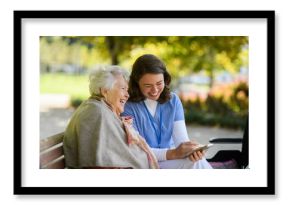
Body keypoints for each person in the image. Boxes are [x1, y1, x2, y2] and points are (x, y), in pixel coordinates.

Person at [122, 54, 212, 169]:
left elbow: (181, 141)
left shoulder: (173, 101)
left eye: (159, 83)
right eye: (148, 85)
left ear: (165, 79)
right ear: (136, 84)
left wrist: (191, 152)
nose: (155, 90)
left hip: (171, 161)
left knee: (197, 161)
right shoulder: (128, 106)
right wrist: (174, 153)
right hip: (146, 163)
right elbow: (136, 150)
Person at [63, 65, 159, 169]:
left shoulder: (99, 108)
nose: (127, 95)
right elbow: (101, 161)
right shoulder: (96, 113)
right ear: (105, 91)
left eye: (127, 90)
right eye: (123, 89)